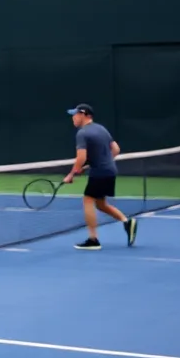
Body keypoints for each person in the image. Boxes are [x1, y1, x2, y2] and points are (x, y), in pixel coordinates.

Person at [63, 104, 136, 250]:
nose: (73, 117)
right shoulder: (101, 128)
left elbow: (81, 158)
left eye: (75, 114)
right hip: (110, 170)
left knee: (88, 199)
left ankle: (93, 240)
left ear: (84, 115)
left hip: (100, 172)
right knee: (101, 204)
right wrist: (102, 162)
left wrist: (71, 174)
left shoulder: (82, 133)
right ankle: (126, 222)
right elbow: (116, 149)